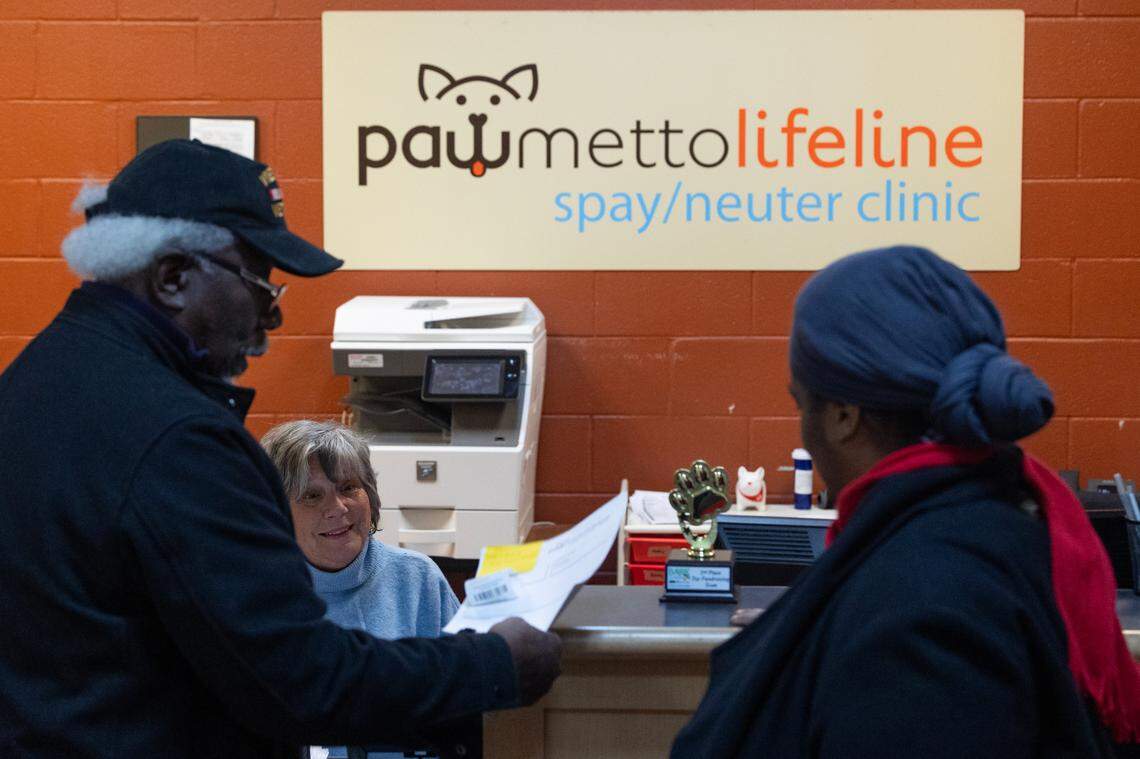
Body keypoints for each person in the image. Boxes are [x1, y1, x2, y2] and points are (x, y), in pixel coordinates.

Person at [0, 139, 560, 758]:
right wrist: (495, 665)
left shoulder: (34, 381)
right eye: (259, 284)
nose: (270, 320)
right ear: (173, 277)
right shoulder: (176, 439)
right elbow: (303, 683)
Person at [671, 246, 1140, 758]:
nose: (802, 426)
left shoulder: (921, 611)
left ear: (844, 415)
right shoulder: (995, 517)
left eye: (800, 402)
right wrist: (806, 637)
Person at [261, 419, 459, 639]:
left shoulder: (417, 578)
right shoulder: (253, 594)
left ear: (370, 493)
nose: (337, 508)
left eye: (348, 488)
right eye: (312, 496)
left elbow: (465, 669)